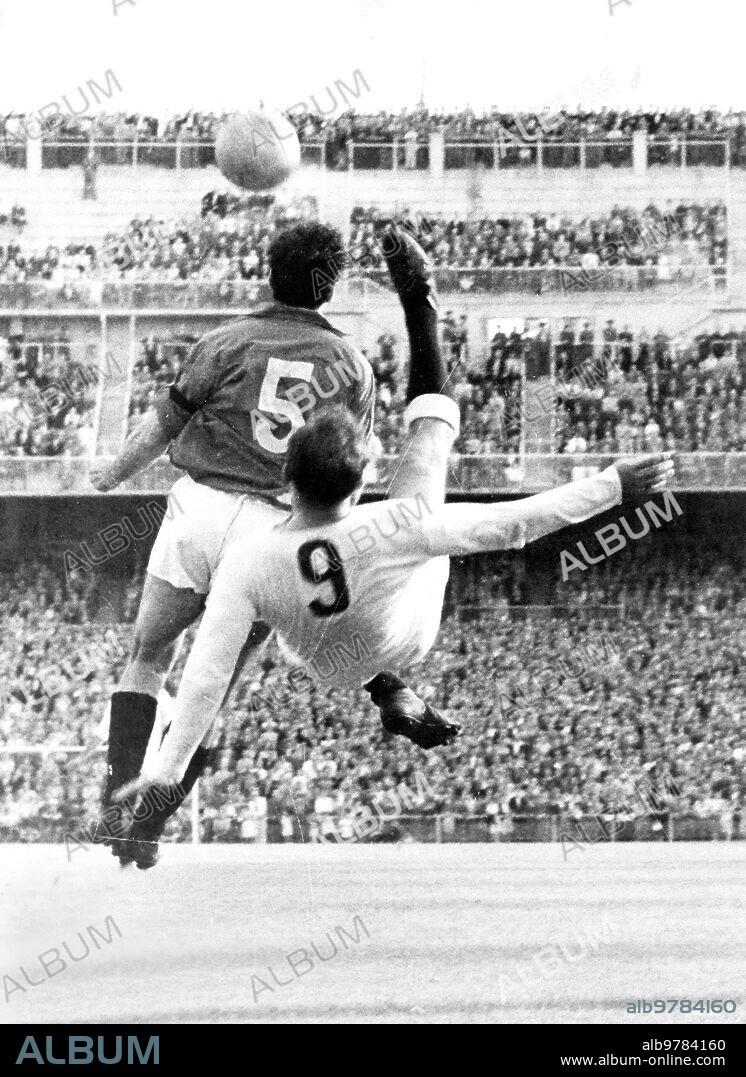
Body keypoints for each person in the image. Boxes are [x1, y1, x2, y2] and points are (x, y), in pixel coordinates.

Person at [118, 295, 674, 863]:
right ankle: (420, 308)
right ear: (357, 485)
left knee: (273, 622)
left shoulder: (247, 560)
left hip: (323, 662)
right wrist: (613, 487)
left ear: (287, 475)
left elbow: (208, 672)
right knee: (428, 463)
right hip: (405, 635)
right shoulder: (390, 523)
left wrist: (166, 770)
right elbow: (517, 525)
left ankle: (384, 686)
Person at [90, 220, 449, 866]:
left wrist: (112, 472)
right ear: (332, 284)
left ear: (268, 271)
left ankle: (113, 799)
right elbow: (343, 468)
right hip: (271, 531)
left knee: (147, 655)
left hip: (199, 509)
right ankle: (144, 828)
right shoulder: (351, 365)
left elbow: (163, 422)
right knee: (212, 688)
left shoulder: (225, 339)